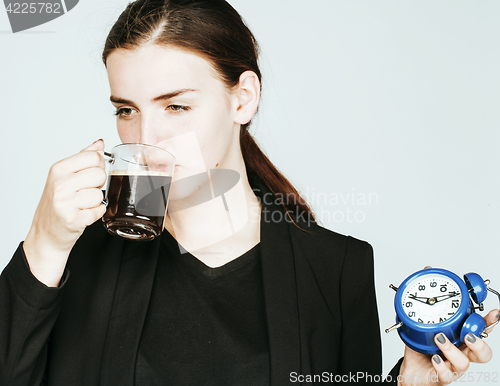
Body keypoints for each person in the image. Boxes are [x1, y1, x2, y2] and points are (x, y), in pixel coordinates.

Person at [0, 0, 497, 385]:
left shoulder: (336, 270)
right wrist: (43, 246)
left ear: (243, 98)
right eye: (126, 110)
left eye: (175, 107)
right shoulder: (76, 258)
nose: (146, 139)